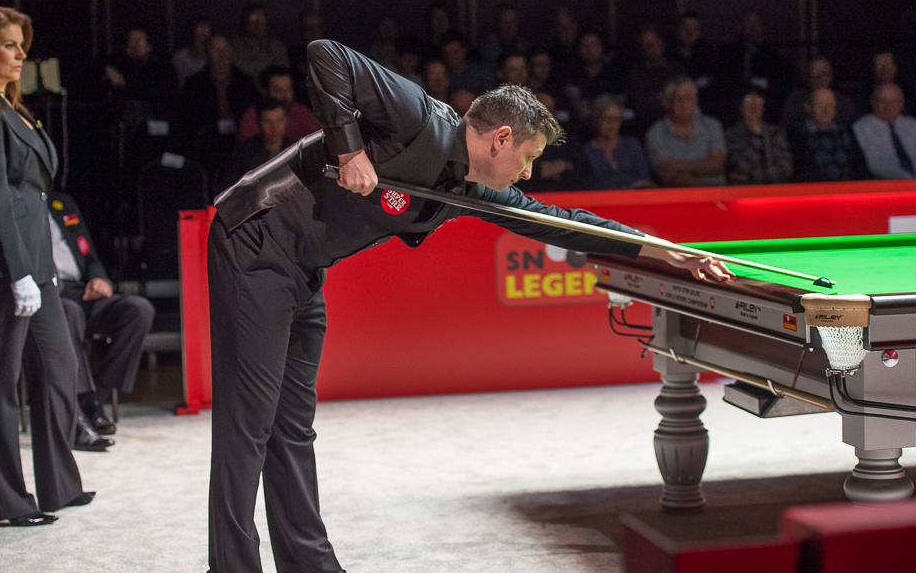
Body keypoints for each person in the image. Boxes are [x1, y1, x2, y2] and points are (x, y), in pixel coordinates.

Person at [206, 39, 732, 572]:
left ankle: (311, 566)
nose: (527, 173)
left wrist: (666, 251)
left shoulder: (470, 187)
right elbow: (325, 55)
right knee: (248, 424)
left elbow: (562, 223)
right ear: (501, 138)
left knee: (293, 426)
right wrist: (349, 150)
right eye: (528, 157)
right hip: (254, 237)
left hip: (302, 268)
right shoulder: (418, 117)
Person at [0, 4, 93, 526]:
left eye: (21, 46)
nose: (20, 55)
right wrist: (15, 272)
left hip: (36, 261)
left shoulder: (13, 109)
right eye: (8, 45)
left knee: (58, 368)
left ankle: (58, 484)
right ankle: (6, 502)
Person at [47, 191, 155, 443]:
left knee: (138, 310)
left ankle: (96, 399)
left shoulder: (61, 203)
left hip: (80, 290)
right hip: (48, 294)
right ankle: (82, 406)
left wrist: (98, 278)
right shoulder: (18, 204)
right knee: (69, 313)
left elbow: (90, 256)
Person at [180, 35, 259, 171]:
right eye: (216, 50)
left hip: (240, 140)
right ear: (207, 54)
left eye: (225, 49)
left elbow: (253, 113)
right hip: (207, 143)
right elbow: (188, 118)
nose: (222, 54)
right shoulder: (194, 84)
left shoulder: (245, 81)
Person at [645, 75, 726, 187]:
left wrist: (678, 165)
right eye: (678, 98)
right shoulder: (655, 133)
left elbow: (717, 165)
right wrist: (706, 187)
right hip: (678, 197)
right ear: (666, 102)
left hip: (719, 195)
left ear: (696, 101)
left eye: (689, 97)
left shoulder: (712, 125)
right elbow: (669, 175)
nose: (684, 103)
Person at [787, 88, 868, 182]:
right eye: (820, 105)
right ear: (808, 107)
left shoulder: (846, 131)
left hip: (849, 187)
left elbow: (860, 166)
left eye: (830, 105)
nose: (825, 110)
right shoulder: (796, 136)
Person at [220, 99, 295, 191]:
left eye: (279, 120)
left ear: (286, 121)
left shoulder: (294, 149)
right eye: (267, 121)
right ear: (259, 123)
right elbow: (228, 187)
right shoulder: (244, 151)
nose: (274, 127)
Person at [725, 86, 793, 185]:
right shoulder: (732, 134)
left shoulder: (776, 133)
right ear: (741, 106)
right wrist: (756, 136)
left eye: (758, 101)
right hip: (745, 191)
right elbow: (741, 167)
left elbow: (785, 169)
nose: (753, 107)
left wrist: (752, 177)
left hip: (775, 190)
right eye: (749, 101)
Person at [584, 94, 653, 189]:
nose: (611, 124)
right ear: (596, 120)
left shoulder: (632, 145)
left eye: (616, 119)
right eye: (606, 119)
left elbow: (644, 179)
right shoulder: (586, 152)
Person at [237, 65, 319, 142]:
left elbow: (317, 143)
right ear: (265, 92)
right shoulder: (251, 117)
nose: (285, 96)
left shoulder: (302, 113)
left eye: (289, 89)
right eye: (278, 90)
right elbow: (246, 149)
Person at [853, 83, 916, 180]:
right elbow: (874, 165)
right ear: (873, 102)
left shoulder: (912, 125)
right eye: (882, 101)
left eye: (893, 101)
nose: (888, 106)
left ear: (901, 103)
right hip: (885, 183)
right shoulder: (861, 128)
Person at [629, 26, 683, 135]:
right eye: (648, 44)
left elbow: (685, 97)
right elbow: (642, 107)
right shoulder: (636, 75)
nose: (653, 47)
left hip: (679, 124)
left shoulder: (676, 70)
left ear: (661, 42)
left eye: (655, 41)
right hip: (649, 128)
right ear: (642, 48)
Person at [100, 27, 177, 105]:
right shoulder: (119, 65)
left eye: (140, 41)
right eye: (131, 41)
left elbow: (155, 93)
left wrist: (124, 84)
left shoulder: (162, 67)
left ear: (149, 47)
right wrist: (108, 69)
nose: (135, 45)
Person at [231, 4, 290, 85]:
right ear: (245, 21)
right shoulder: (232, 48)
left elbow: (283, 75)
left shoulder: (276, 48)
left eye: (262, 18)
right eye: (253, 18)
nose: (258, 22)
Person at [173, 16, 212, 91]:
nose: (203, 38)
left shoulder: (214, 57)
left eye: (206, 30)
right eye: (200, 35)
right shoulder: (180, 59)